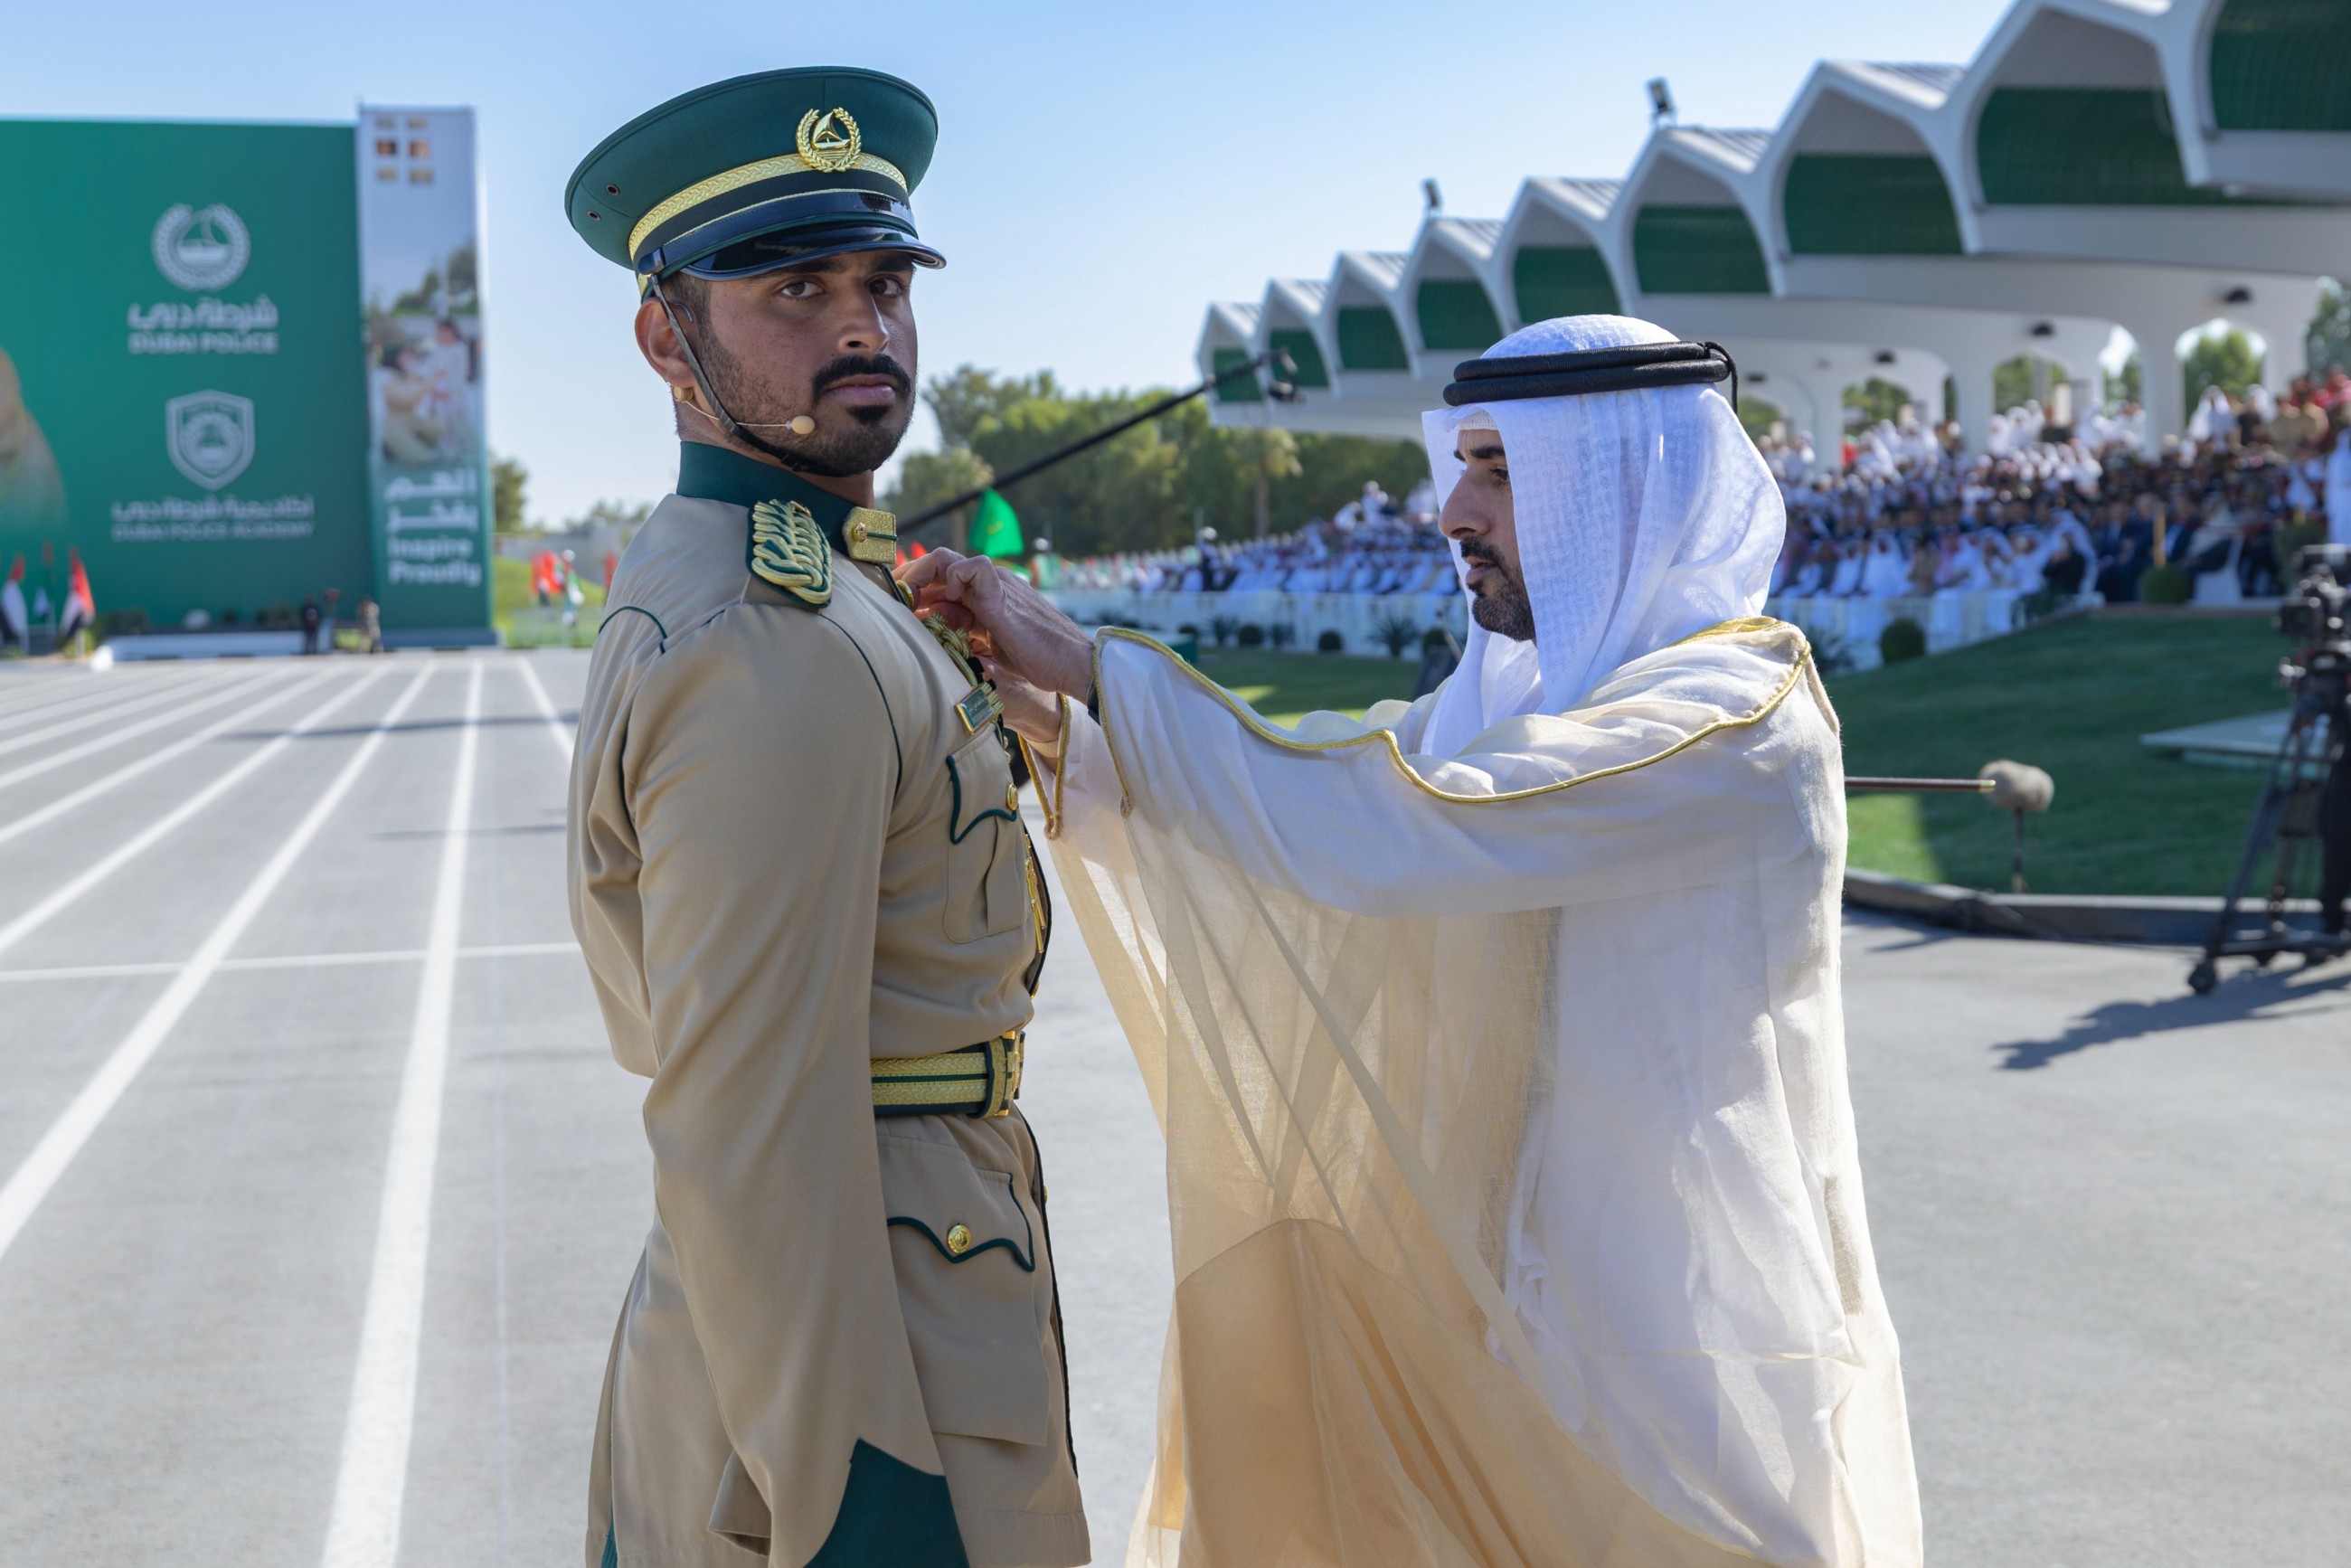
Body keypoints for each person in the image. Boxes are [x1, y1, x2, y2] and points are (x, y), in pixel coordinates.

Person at [906, 315, 1921, 1567]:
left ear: (1621, 485)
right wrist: (1059, 721)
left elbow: (1407, 827)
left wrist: (1096, 665)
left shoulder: (1737, 723)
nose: (1454, 513)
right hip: (1504, 1318)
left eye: (1500, 470)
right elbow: (1324, 792)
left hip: (1683, 1346)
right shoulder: (1511, 705)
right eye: (1462, 465)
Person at [562, 68, 1085, 1568]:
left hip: (899, 1278)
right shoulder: (767, 639)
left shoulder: (801, 579)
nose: (863, 327)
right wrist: (861, 1501)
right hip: (868, 1353)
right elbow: (751, 1126)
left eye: (883, 284)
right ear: (668, 340)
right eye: (797, 287)